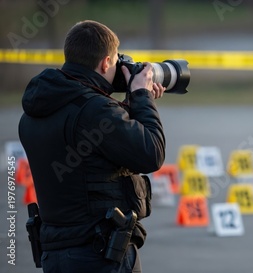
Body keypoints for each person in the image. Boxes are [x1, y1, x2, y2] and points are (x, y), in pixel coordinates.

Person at [18, 20, 166, 273]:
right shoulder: (94, 110)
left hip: (55, 251)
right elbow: (151, 154)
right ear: (106, 62)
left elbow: (94, 143)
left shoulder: (36, 110)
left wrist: (131, 103)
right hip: (99, 253)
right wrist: (142, 96)